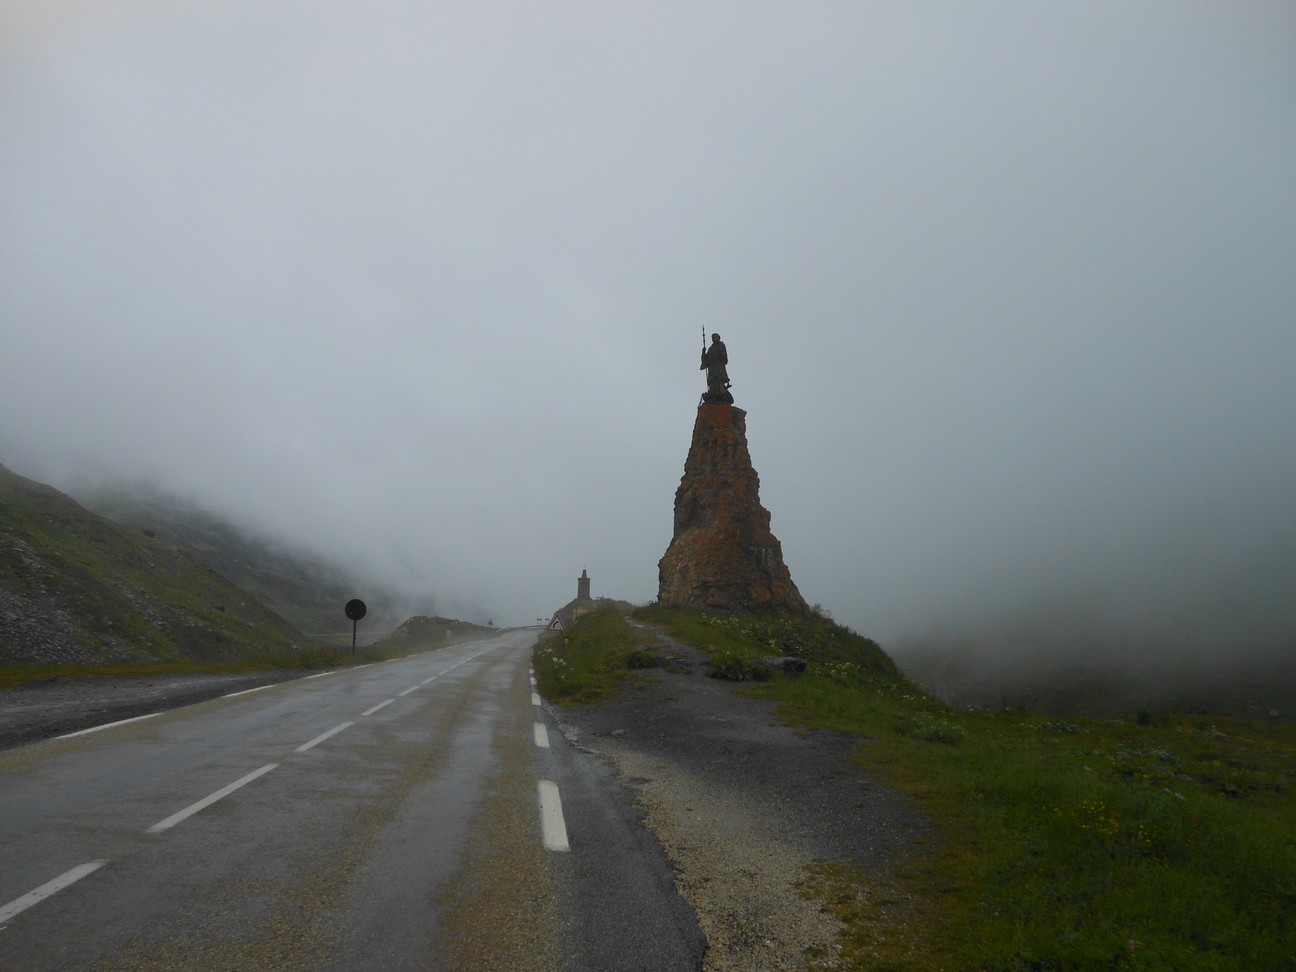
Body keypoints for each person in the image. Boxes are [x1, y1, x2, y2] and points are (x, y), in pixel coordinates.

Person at [700, 333, 732, 403]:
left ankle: (721, 396)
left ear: (718, 337)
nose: (713, 338)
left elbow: (724, 356)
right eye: (712, 337)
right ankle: (713, 395)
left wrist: (720, 353)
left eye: (715, 337)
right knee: (712, 381)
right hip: (712, 368)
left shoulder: (721, 345)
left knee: (719, 380)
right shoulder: (711, 348)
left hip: (718, 366)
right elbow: (706, 361)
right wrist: (703, 353)